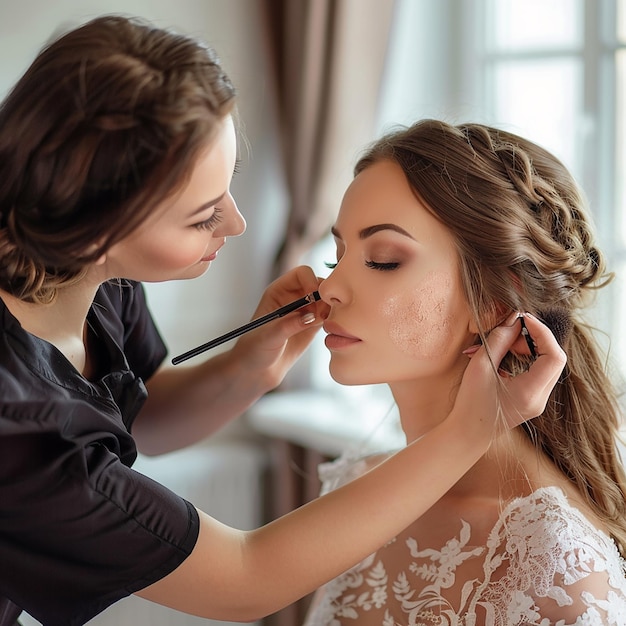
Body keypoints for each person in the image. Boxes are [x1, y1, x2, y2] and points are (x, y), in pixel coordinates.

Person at [0, 16, 566, 626]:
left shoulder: (88, 276)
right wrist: (468, 431)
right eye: (201, 216)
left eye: (229, 183)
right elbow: (245, 578)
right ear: (93, 234)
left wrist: (250, 365)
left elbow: (135, 418)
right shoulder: (20, 427)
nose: (237, 224)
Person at [303, 119, 626, 626]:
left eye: (383, 260)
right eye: (337, 254)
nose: (328, 290)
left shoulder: (554, 562)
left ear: (497, 302)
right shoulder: (357, 488)